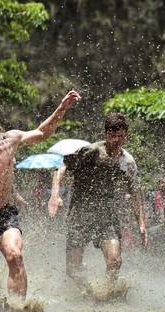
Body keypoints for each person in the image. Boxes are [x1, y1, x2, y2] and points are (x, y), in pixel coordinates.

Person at [0, 90, 80, 301]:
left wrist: (62, 108)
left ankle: (17, 310)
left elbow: (41, 133)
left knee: (15, 255)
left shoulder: (10, 140)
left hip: (3, 215)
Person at [48, 113, 148, 295]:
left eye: (120, 136)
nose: (116, 140)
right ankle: (88, 292)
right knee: (72, 270)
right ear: (105, 134)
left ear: (126, 135)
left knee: (115, 262)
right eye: (112, 136)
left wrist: (141, 224)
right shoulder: (92, 151)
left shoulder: (128, 162)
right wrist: (55, 194)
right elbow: (62, 166)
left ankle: (105, 297)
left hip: (107, 214)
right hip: (80, 212)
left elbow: (135, 193)